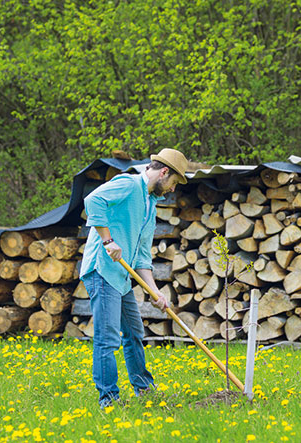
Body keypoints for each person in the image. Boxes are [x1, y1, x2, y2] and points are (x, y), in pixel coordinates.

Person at [80, 148, 188, 408]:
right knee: (107, 338)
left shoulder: (150, 205)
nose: (173, 190)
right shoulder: (128, 184)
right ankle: (109, 399)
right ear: (164, 172)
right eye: (174, 182)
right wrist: (108, 240)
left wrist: (155, 291)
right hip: (103, 269)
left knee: (134, 333)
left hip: (123, 276)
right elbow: (92, 201)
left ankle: (144, 389)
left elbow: (141, 257)